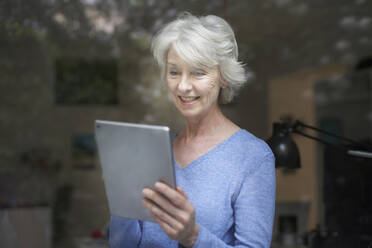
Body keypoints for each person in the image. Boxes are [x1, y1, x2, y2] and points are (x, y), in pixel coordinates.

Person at [109, 12, 276, 248]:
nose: (183, 86)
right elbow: (121, 244)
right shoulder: (152, 151)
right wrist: (122, 195)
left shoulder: (253, 157)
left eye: (198, 72)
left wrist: (192, 235)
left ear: (224, 78)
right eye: (174, 72)